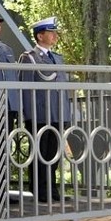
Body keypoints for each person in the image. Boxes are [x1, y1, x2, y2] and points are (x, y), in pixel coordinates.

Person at [18, 17, 71, 202]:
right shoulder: (29, 58)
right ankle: (40, 189)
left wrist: (67, 113)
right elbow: (25, 87)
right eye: (51, 32)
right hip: (39, 114)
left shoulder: (57, 58)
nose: (54, 35)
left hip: (57, 113)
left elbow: (64, 88)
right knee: (40, 154)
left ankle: (52, 189)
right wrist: (27, 114)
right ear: (40, 36)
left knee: (54, 154)